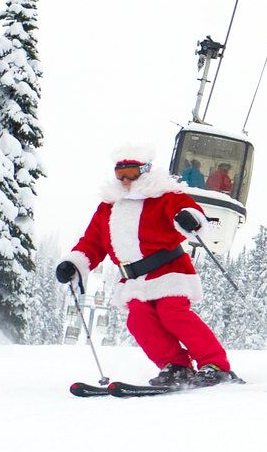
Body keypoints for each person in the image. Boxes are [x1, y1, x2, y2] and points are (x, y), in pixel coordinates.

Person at [55, 145, 239, 388]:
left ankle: (215, 364)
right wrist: (74, 263)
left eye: (131, 173)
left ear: (145, 171)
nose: (125, 180)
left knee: (172, 313)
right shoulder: (108, 208)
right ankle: (177, 366)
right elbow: (91, 243)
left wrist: (189, 218)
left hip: (169, 271)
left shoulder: (164, 196)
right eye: (120, 174)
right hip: (134, 280)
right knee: (138, 321)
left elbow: (188, 210)